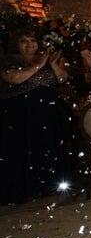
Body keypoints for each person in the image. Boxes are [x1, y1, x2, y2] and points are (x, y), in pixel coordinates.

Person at [0, 27, 70, 204]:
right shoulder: (10, 60)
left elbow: (62, 79)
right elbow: (14, 78)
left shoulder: (46, 60)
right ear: (16, 44)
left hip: (47, 114)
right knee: (24, 149)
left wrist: (52, 64)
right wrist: (38, 64)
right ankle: (27, 188)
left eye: (32, 41)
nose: (30, 45)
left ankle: (49, 185)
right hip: (21, 116)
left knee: (48, 146)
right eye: (24, 41)